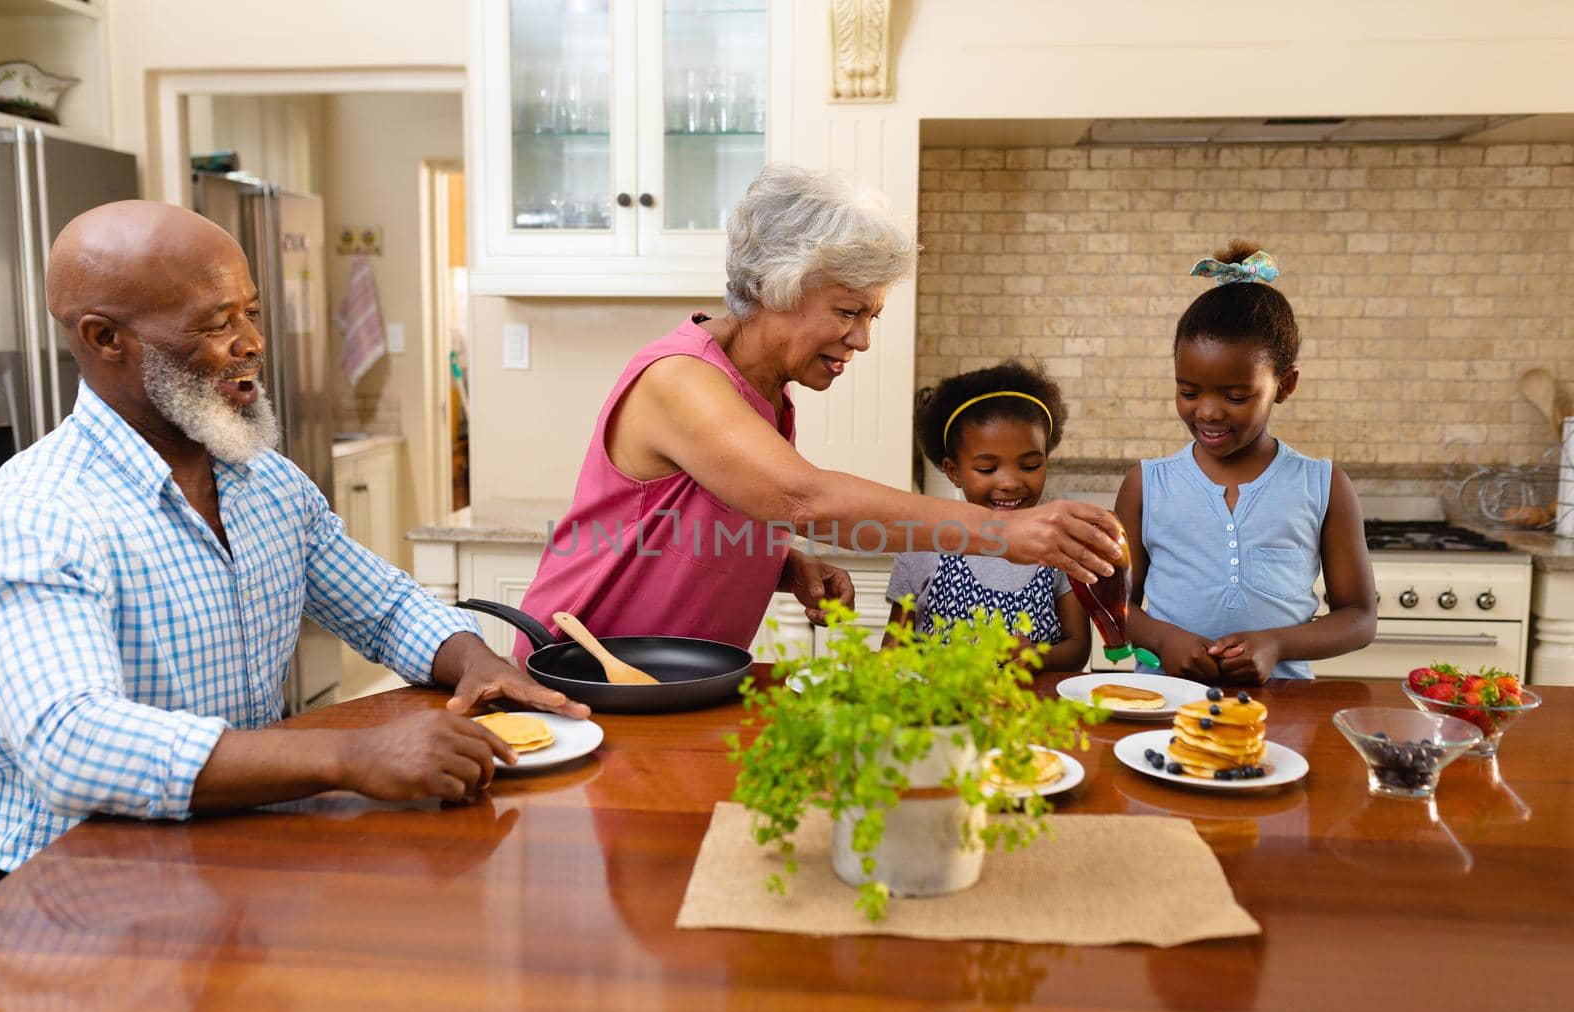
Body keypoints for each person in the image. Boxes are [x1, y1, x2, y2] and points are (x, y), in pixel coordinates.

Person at [0, 201, 589, 896]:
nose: (251, 343)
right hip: (57, 890)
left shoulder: (264, 480)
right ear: (105, 337)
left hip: (217, 856)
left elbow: (384, 607)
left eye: (250, 313)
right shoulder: (38, 510)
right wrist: (347, 755)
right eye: (215, 323)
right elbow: (70, 742)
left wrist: (474, 659)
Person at [514, 163, 1123, 660]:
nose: (861, 340)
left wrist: (778, 563)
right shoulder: (679, 379)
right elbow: (804, 499)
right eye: (848, 312)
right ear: (778, 284)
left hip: (668, 676)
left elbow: (689, 519)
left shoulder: (767, 391)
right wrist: (1006, 532)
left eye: (870, 318)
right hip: (581, 667)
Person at [1115, 242, 1376, 684]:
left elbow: (1360, 618)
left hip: (1284, 710)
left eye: (1236, 397)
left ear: (1285, 385)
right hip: (1162, 705)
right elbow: (1114, 606)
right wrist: (1162, 639)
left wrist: (1277, 643)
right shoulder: (1146, 484)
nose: (1209, 412)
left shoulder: (1324, 484)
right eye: (1189, 391)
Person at [882, 361, 1091, 670]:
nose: (1010, 482)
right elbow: (892, 653)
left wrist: (1035, 657)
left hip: (1032, 714)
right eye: (987, 469)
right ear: (953, 471)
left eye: (1031, 465)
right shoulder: (924, 545)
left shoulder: (1057, 544)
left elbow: (1078, 648)